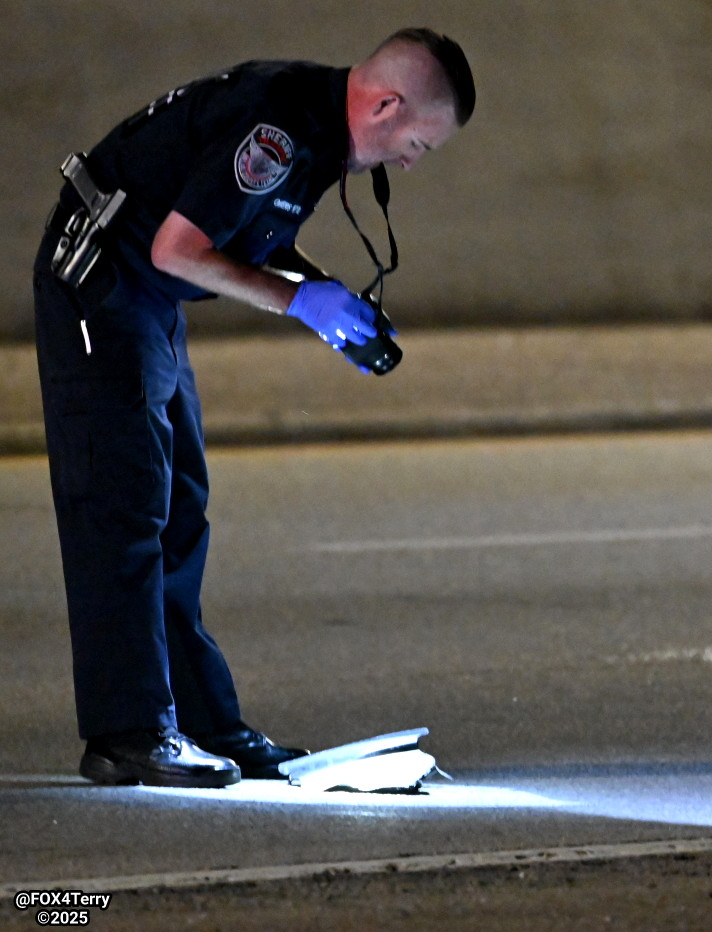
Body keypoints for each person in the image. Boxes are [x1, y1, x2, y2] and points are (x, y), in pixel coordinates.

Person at [33, 28, 475, 788]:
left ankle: (207, 726)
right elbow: (177, 248)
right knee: (126, 506)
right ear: (386, 104)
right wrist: (302, 302)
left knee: (181, 509)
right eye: (418, 144)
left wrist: (325, 299)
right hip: (102, 291)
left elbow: (238, 242)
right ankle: (128, 734)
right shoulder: (274, 127)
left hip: (144, 298)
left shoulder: (316, 132)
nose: (411, 162)